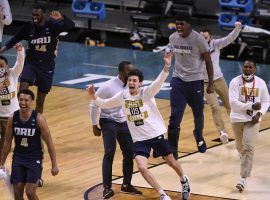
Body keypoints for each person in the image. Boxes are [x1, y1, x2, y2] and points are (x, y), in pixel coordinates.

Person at [87, 52, 191, 200]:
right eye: (129, 80)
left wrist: (167, 66)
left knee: (171, 161)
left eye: (134, 80)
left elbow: (159, 82)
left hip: (156, 134)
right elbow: (104, 104)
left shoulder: (146, 93)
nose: (131, 83)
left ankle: (183, 179)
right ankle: (163, 194)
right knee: (142, 167)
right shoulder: (123, 96)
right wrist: (93, 96)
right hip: (140, 140)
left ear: (140, 83)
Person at [0, 5, 75, 114]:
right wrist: (1, 51)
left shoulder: (53, 25)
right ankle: (20, 117)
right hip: (31, 62)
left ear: (43, 15)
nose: (34, 17)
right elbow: (14, 40)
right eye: (33, 15)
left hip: (47, 65)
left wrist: (61, 17)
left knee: (40, 100)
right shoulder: (29, 27)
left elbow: (71, 25)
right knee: (23, 89)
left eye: (37, 15)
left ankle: (37, 124)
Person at [90, 61, 142, 199]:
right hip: (108, 121)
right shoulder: (107, 86)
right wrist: (94, 125)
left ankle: (126, 184)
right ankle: (107, 188)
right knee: (109, 151)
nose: (131, 74)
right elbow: (93, 105)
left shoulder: (131, 86)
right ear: (120, 73)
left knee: (130, 152)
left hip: (124, 122)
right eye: (128, 72)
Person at [168, 13, 214, 159]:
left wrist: (210, 83)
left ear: (189, 24)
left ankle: (198, 135)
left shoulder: (199, 40)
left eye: (181, 24)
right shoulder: (172, 38)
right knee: (175, 116)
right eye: (177, 24)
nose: (178, 26)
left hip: (195, 81)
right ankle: (172, 150)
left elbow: (208, 62)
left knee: (198, 113)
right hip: (178, 80)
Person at [0, 89, 59, 200]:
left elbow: (49, 143)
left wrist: (54, 164)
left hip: (34, 158)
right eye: (21, 100)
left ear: (32, 101)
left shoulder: (39, 119)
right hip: (18, 157)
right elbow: (7, 143)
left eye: (26, 100)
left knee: (30, 192)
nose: (23, 102)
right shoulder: (13, 118)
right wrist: (2, 163)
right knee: (17, 192)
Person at [229, 59, 269, 192]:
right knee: (240, 146)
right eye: (245, 67)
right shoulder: (235, 82)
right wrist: (251, 106)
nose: (247, 69)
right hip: (237, 118)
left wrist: (260, 114)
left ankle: (243, 179)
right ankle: (243, 156)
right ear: (242, 68)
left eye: (250, 67)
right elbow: (233, 103)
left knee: (248, 146)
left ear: (254, 69)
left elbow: (266, 101)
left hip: (253, 119)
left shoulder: (261, 83)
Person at [199, 21, 242, 144]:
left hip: (219, 79)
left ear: (210, 37)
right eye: (201, 37)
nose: (203, 39)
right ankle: (222, 132)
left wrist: (237, 29)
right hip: (205, 83)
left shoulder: (216, 44)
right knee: (214, 107)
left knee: (229, 105)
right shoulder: (196, 48)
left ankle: (238, 128)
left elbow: (229, 38)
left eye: (205, 37)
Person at [0, 43, 25, 160]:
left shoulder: (12, 74)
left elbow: (20, 64)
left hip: (12, 116)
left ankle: (3, 165)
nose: (0, 68)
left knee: (11, 142)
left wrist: (20, 51)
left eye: (2, 65)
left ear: (6, 66)